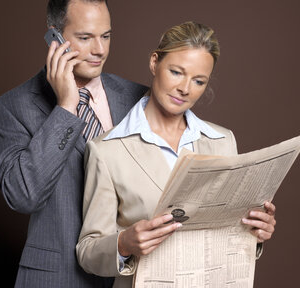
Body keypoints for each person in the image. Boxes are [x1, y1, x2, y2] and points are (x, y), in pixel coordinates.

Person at [76, 21, 276, 287]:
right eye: (176, 72)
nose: (185, 88)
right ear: (154, 62)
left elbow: (229, 235)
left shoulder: (222, 141)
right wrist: (123, 244)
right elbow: (88, 252)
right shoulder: (107, 150)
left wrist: (256, 232)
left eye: (198, 81)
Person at [0, 0, 148, 288]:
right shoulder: (11, 108)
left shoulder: (138, 97)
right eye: (86, 37)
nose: (100, 50)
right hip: (59, 277)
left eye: (106, 36)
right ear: (55, 38)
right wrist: (65, 107)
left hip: (132, 275)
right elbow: (24, 196)